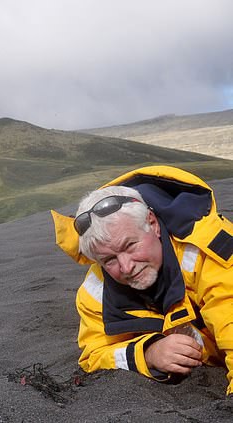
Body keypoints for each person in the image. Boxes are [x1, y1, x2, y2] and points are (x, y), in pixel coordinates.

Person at [51, 165, 233, 394]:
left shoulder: (209, 252)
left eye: (130, 245)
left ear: (153, 223)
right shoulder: (94, 293)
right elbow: (93, 356)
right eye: (109, 259)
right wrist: (148, 354)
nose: (126, 267)